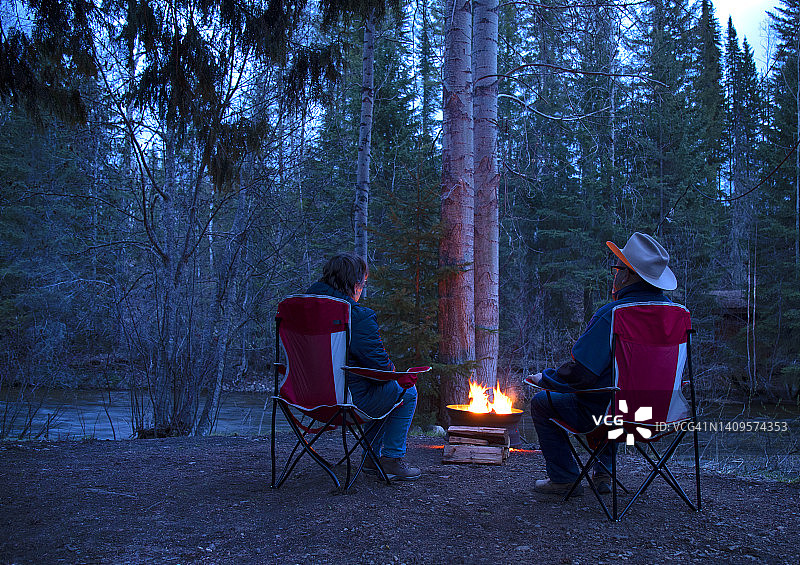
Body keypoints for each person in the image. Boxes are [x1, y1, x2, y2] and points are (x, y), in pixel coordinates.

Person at [529, 232, 677, 496]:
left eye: (616, 268)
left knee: (545, 402)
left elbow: (581, 374)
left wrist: (546, 378)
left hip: (612, 417)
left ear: (627, 275)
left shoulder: (615, 315)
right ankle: (603, 474)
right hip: (664, 416)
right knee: (616, 390)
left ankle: (564, 479)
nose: (614, 275)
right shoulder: (676, 315)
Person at [306, 253, 421, 481]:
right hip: (343, 401)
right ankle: (390, 459)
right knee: (405, 392)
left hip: (304, 399)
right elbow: (381, 371)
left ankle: (371, 457)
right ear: (355, 283)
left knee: (383, 389)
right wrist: (397, 375)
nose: (362, 289)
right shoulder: (355, 316)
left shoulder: (299, 310)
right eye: (363, 283)